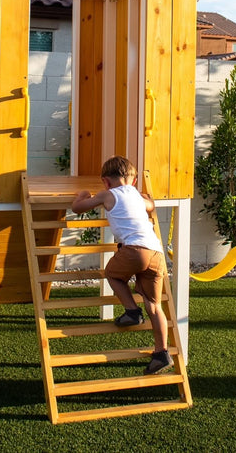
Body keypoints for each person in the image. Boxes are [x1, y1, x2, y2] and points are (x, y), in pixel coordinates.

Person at [71, 155, 173, 375]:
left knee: (112, 274)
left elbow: (78, 208)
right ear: (133, 181)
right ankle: (162, 352)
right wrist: (145, 197)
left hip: (134, 250)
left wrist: (82, 195)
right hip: (156, 253)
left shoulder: (107, 194)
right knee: (155, 305)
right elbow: (151, 204)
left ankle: (131, 311)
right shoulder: (137, 196)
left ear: (106, 181)